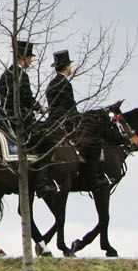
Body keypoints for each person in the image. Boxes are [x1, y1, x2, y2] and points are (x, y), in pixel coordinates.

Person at [0, 39, 54, 195]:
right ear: (24, 57)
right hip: (18, 120)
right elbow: (26, 98)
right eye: (30, 57)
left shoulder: (5, 74)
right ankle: (41, 182)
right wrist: (40, 108)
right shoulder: (21, 75)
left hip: (2, 118)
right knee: (49, 142)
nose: (31, 60)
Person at [46, 48, 110, 190]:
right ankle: (93, 178)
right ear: (66, 67)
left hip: (53, 121)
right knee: (94, 141)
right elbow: (69, 107)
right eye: (70, 65)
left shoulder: (51, 84)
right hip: (67, 121)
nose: (71, 68)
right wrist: (82, 118)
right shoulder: (65, 84)